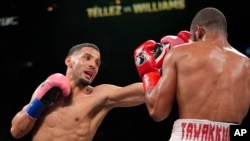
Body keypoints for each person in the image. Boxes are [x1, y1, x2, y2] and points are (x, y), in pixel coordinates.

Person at [134, 7, 250, 141]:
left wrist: (149, 73)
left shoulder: (180, 53)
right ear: (224, 35)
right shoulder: (247, 65)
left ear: (198, 30)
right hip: (233, 136)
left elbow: (157, 111)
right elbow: (242, 132)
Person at [10, 43, 145, 141]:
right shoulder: (46, 87)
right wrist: (40, 103)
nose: (93, 64)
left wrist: (162, 73)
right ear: (69, 61)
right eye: (87, 58)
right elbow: (16, 131)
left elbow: (144, 91)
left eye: (97, 63)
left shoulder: (99, 95)